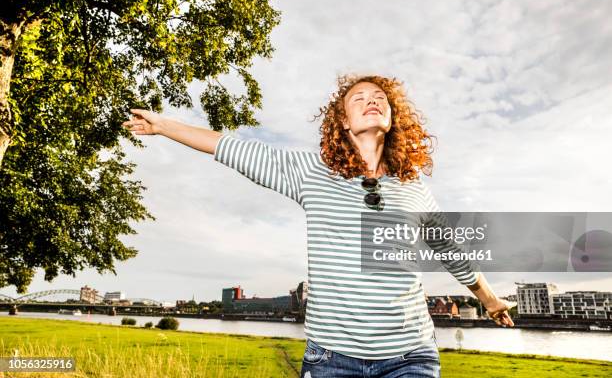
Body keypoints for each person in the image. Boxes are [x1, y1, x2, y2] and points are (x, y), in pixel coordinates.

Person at [122, 74, 516, 377]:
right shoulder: (311, 172)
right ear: (343, 122)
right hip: (331, 359)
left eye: (379, 98)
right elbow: (232, 147)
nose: (372, 100)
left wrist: (489, 299)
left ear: (393, 119)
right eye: (358, 98)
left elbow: (449, 250)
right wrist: (163, 125)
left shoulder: (414, 187)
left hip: (408, 355)